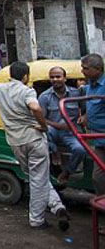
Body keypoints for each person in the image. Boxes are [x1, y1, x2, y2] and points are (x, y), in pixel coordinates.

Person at [0, 61, 68, 230]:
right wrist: (43, 126)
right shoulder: (27, 91)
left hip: (15, 142)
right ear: (26, 76)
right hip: (34, 140)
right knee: (38, 179)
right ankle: (37, 219)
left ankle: (57, 206)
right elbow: (35, 107)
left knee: (37, 177)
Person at [38, 66, 86, 185]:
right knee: (45, 129)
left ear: (64, 78)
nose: (55, 79)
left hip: (71, 131)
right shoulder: (44, 97)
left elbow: (84, 110)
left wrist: (83, 117)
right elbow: (41, 119)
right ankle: (54, 153)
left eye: (58, 76)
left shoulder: (76, 93)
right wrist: (58, 126)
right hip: (53, 131)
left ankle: (67, 172)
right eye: (52, 77)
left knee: (80, 150)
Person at [80, 53, 105, 194]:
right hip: (98, 141)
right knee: (97, 178)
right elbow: (92, 104)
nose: (82, 71)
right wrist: (85, 115)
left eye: (86, 68)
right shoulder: (90, 85)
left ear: (98, 69)